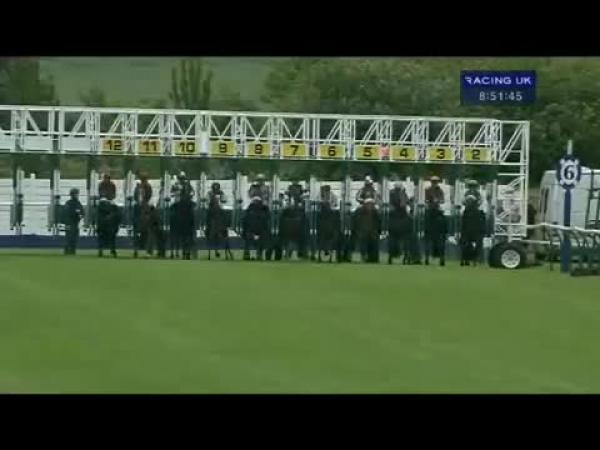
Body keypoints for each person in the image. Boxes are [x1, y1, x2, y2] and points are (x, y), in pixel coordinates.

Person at [63, 188, 84, 255]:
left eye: (77, 194)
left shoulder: (78, 203)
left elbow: (82, 212)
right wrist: (77, 213)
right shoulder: (69, 203)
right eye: (76, 194)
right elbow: (66, 213)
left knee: (75, 237)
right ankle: (67, 250)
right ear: (72, 195)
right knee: (69, 237)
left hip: (75, 223)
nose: (77, 195)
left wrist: (80, 215)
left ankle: (73, 250)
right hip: (69, 223)